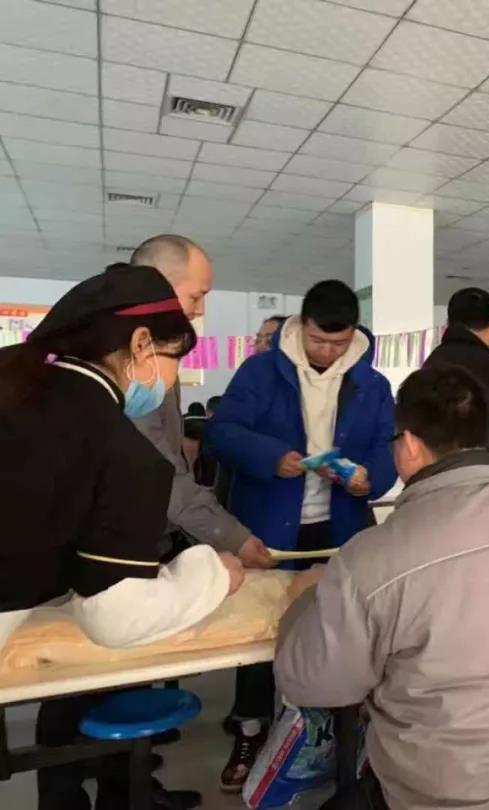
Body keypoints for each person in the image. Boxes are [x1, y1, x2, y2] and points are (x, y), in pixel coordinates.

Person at [274, 366, 489, 810]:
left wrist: (304, 597)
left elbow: (312, 683)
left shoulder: (372, 558)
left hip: (448, 797)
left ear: (411, 444)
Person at [0, 263, 245, 810]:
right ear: (140, 344)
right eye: (175, 360)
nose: (171, 380)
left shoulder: (19, 386)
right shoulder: (124, 452)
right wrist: (212, 572)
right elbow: (114, 615)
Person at [206, 279, 396, 792]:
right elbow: (222, 433)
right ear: (301, 325)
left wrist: (369, 479)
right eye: (317, 340)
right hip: (273, 523)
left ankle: (331, 738)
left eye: (338, 343)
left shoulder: (372, 384)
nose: (326, 352)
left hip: (340, 526)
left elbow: (386, 448)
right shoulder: (261, 371)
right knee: (260, 630)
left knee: (338, 632)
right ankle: (250, 730)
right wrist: (272, 457)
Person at [128, 235, 272, 568]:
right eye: (196, 296)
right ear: (159, 286)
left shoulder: (154, 352)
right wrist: (230, 537)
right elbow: (158, 470)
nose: (200, 310)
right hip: (124, 545)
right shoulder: (134, 361)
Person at [423, 287, 489, 466]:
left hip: (433, 464)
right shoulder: (486, 364)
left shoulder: (434, 359)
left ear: (449, 322)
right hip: (476, 466)